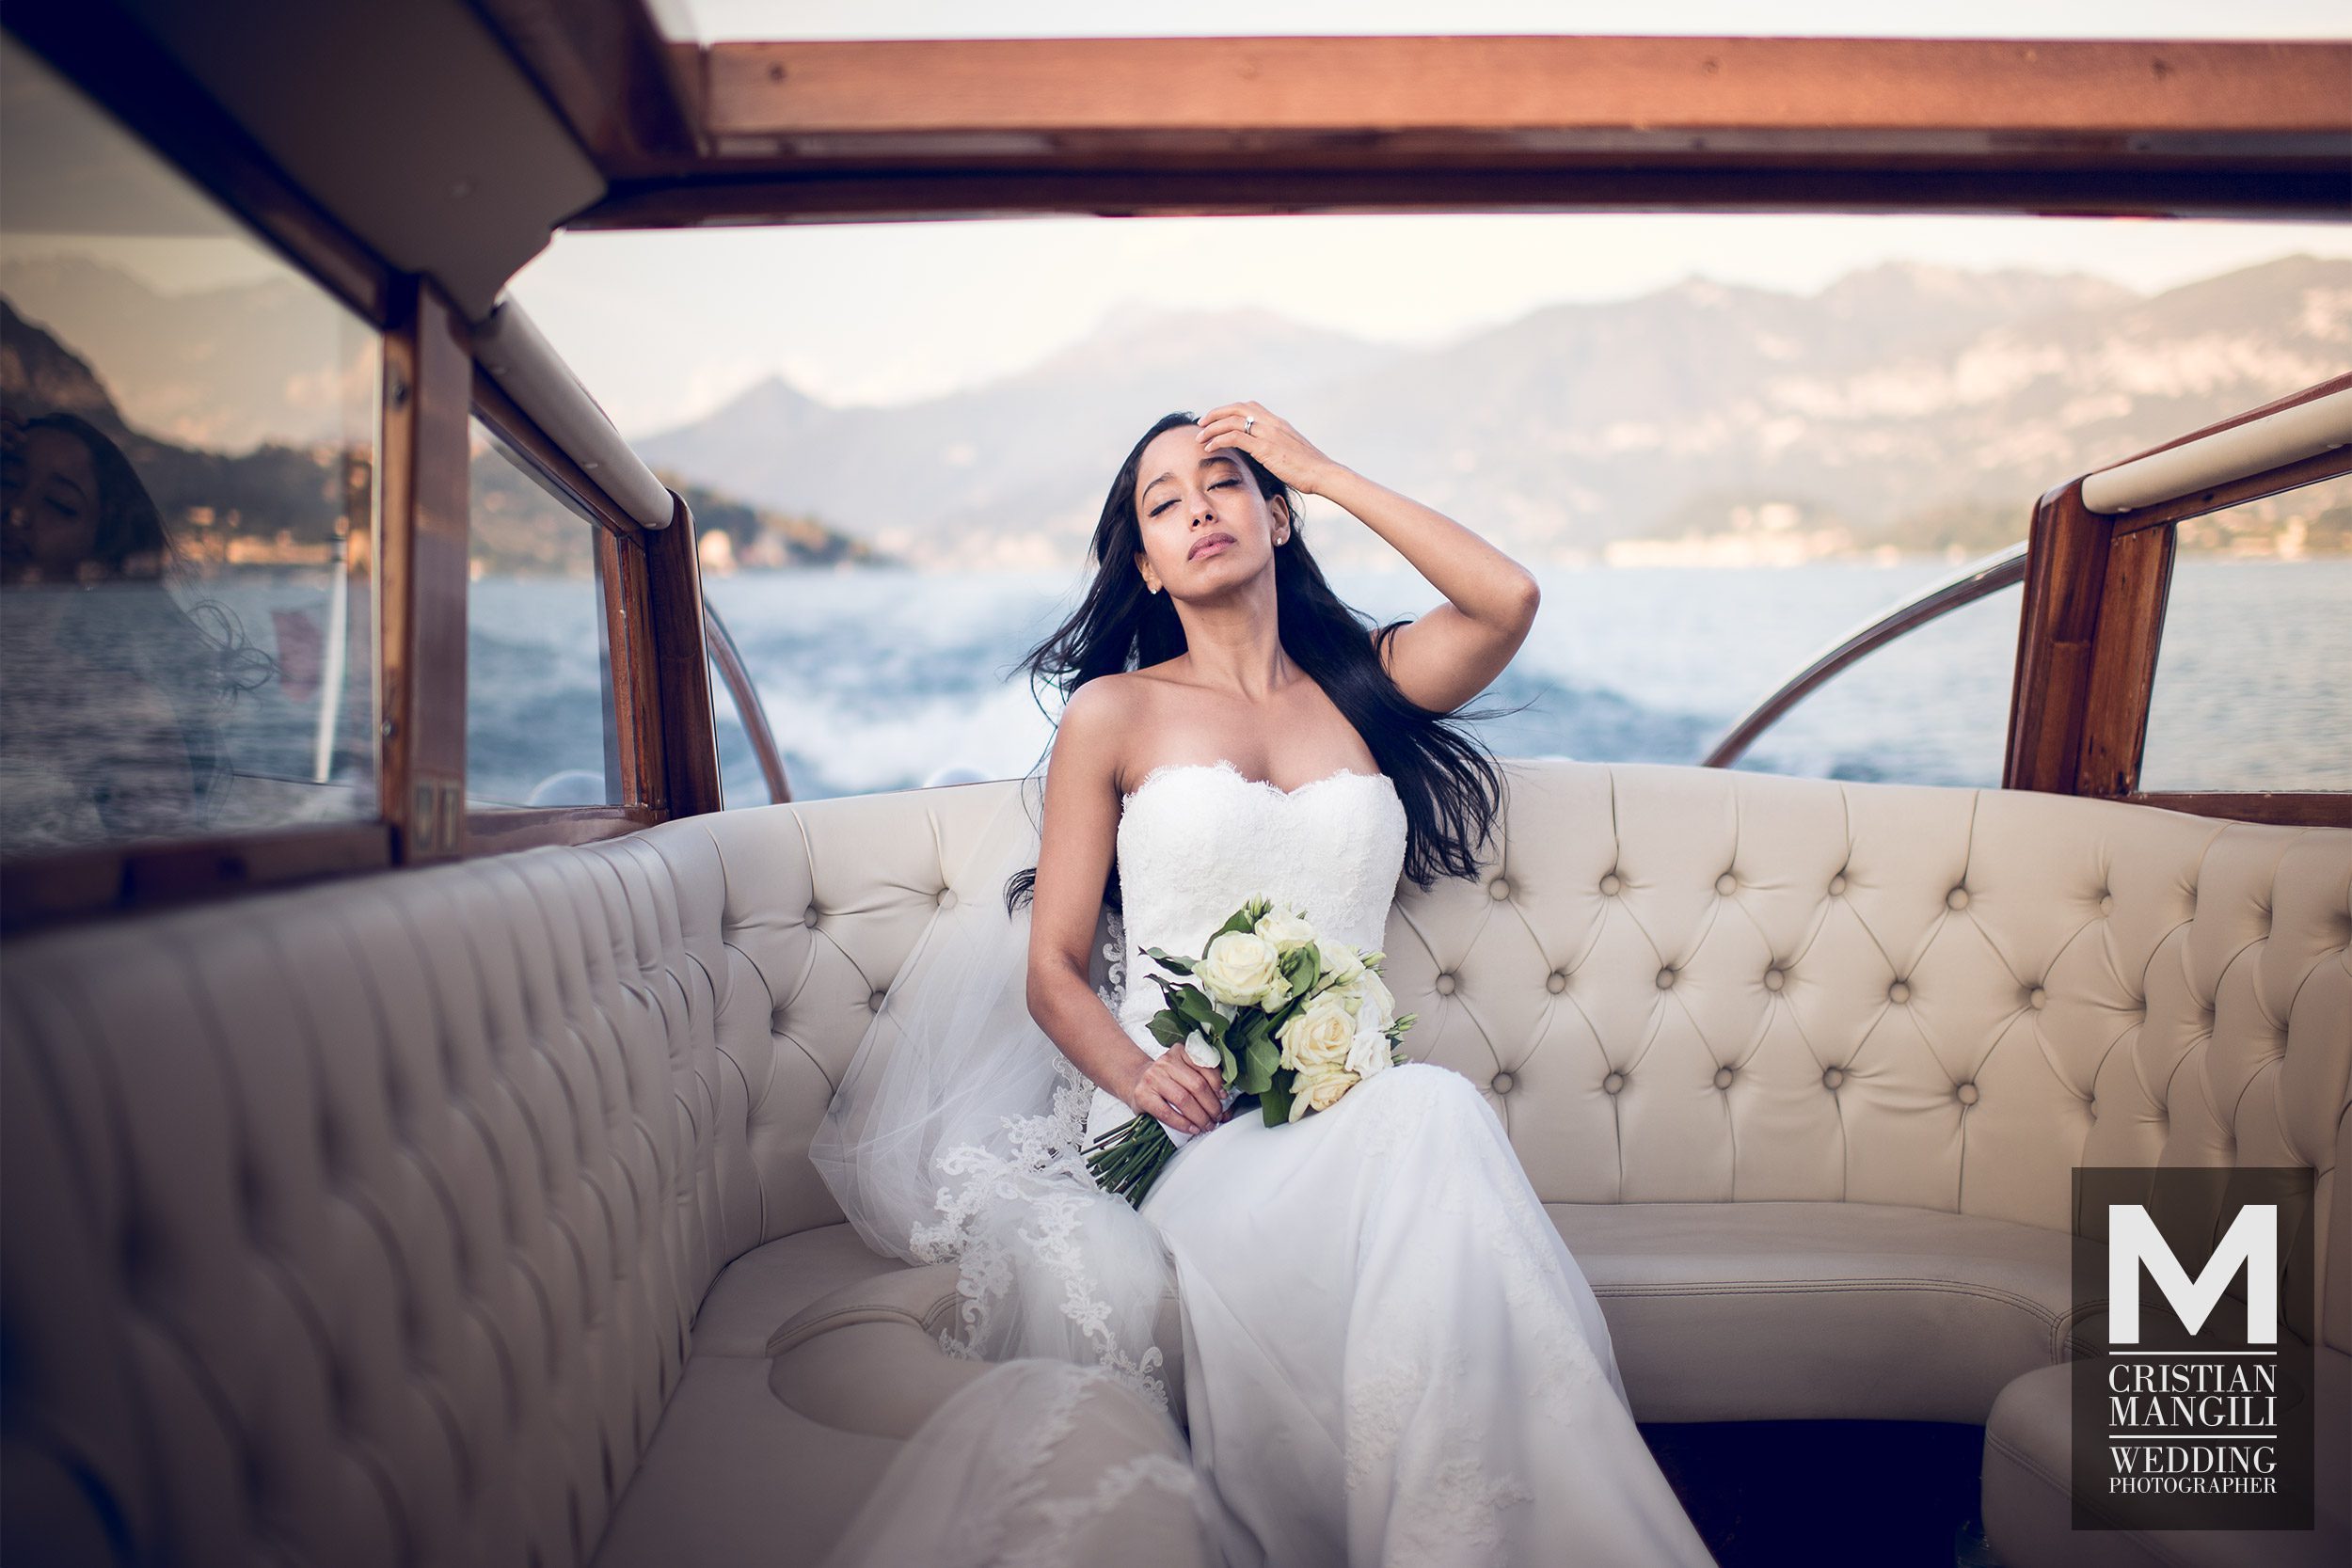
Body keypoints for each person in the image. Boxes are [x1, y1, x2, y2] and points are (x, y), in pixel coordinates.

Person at [810, 404, 1717, 1567]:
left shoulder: (1368, 686)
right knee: (1436, 1113)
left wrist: (1323, 469)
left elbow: (1507, 599)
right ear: (1145, 562)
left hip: (1347, 1113)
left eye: (1225, 482)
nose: (1199, 508)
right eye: (1164, 501)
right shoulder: (1115, 713)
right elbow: (1053, 971)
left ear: (1276, 517)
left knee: (1428, 1110)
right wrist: (1141, 1074)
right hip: (1176, 1130)